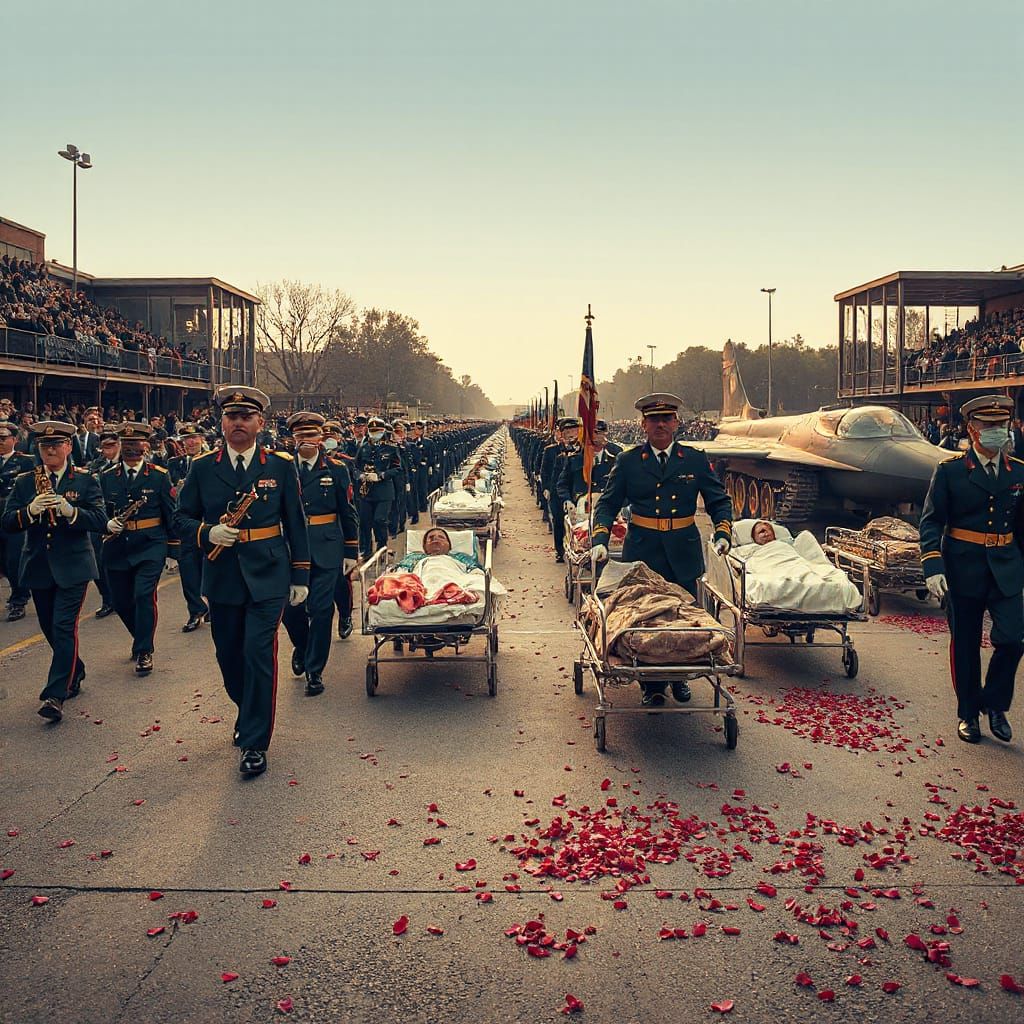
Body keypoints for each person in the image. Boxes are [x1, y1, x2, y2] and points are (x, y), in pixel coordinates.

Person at [174, 386, 310, 776]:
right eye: (231, 417)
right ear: (221, 423)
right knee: (229, 656)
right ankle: (246, 709)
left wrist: (300, 574)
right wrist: (207, 532)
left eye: (246, 417)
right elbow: (180, 518)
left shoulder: (280, 465)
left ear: (260, 423)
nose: (238, 423)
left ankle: (254, 743)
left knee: (258, 653)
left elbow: (295, 521)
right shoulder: (202, 467)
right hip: (223, 576)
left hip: (269, 574)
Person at [592, 393, 733, 706]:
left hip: (684, 551)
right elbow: (608, 503)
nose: (660, 425)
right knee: (647, 620)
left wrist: (723, 531)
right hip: (643, 552)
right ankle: (652, 684)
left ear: (676, 423)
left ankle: (679, 677)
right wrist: (600, 540)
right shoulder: (628, 461)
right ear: (643, 425)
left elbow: (718, 500)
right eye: (654, 419)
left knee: (682, 618)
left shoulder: (694, 459)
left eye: (666, 419)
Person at [919, 394, 1024, 745]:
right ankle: (968, 713)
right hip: (962, 567)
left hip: (1006, 566)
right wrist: (933, 564)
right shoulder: (950, 471)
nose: (997, 431)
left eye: (1002, 425)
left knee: (1013, 639)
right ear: (972, 429)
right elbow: (931, 521)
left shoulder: (1019, 471)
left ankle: (993, 703)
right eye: (989, 425)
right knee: (965, 644)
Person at [1, 421, 107, 722]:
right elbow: (7, 521)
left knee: (63, 627)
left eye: (57, 445)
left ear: (68, 447)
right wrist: (30, 511)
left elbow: (100, 519)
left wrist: (72, 512)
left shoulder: (84, 480)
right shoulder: (25, 482)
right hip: (39, 564)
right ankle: (76, 668)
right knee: (50, 627)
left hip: (74, 565)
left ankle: (55, 694)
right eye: (44, 446)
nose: (50, 450)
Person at [281, 411, 359, 697]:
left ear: (321, 438)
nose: (306, 440)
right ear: (293, 439)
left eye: (311, 435)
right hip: (291, 548)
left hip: (327, 547)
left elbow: (347, 511)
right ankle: (303, 647)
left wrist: (351, 550)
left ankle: (314, 670)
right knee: (290, 610)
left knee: (322, 609)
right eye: (300, 436)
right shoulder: (282, 468)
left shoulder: (336, 469)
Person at [99, 422, 179, 675]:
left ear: (145, 446)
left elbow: (170, 513)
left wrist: (173, 551)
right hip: (117, 546)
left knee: (144, 595)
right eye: (126, 443)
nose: (131, 448)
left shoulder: (158, 475)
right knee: (121, 602)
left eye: (136, 443)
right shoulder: (106, 476)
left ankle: (145, 650)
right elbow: (99, 511)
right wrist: (105, 524)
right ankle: (140, 635)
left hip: (150, 544)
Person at [167, 424, 210, 632]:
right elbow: (168, 491)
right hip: (185, 524)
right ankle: (195, 610)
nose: (191, 442)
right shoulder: (174, 463)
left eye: (194, 437)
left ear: (202, 439)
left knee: (211, 569)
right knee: (188, 570)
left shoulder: (212, 460)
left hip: (208, 523)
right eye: (187, 439)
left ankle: (213, 604)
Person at [354, 416, 403, 560]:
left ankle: (382, 547)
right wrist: (361, 475)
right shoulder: (363, 448)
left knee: (380, 520)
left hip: (384, 491)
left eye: (378, 431)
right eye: (372, 431)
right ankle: (367, 550)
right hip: (366, 491)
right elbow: (355, 467)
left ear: (383, 432)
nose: (375, 434)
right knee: (365, 522)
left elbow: (397, 468)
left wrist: (382, 475)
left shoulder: (391, 448)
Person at [0, 422, 35, 620]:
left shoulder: (26, 462)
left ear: (14, 440)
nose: (0, 442)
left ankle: (19, 600)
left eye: (3, 438)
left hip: (15, 517)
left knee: (14, 560)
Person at [556, 418, 617, 511]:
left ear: (605, 435)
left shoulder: (613, 460)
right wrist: (567, 500)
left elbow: (622, 487)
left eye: (598, 433)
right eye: (591, 433)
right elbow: (563, 484)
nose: (594, 437)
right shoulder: (574, 459)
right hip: (579, 509)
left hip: (605, 509)